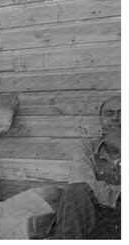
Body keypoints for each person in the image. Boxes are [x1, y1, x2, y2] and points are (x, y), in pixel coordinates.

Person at [53, 96, 121, 239]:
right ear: (101, 120)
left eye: (122, 113)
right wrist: (117, 195)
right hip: (94, 219)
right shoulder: (87, 148)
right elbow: (81, 183)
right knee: (75, 191)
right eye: (109, 113)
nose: (115, 118)